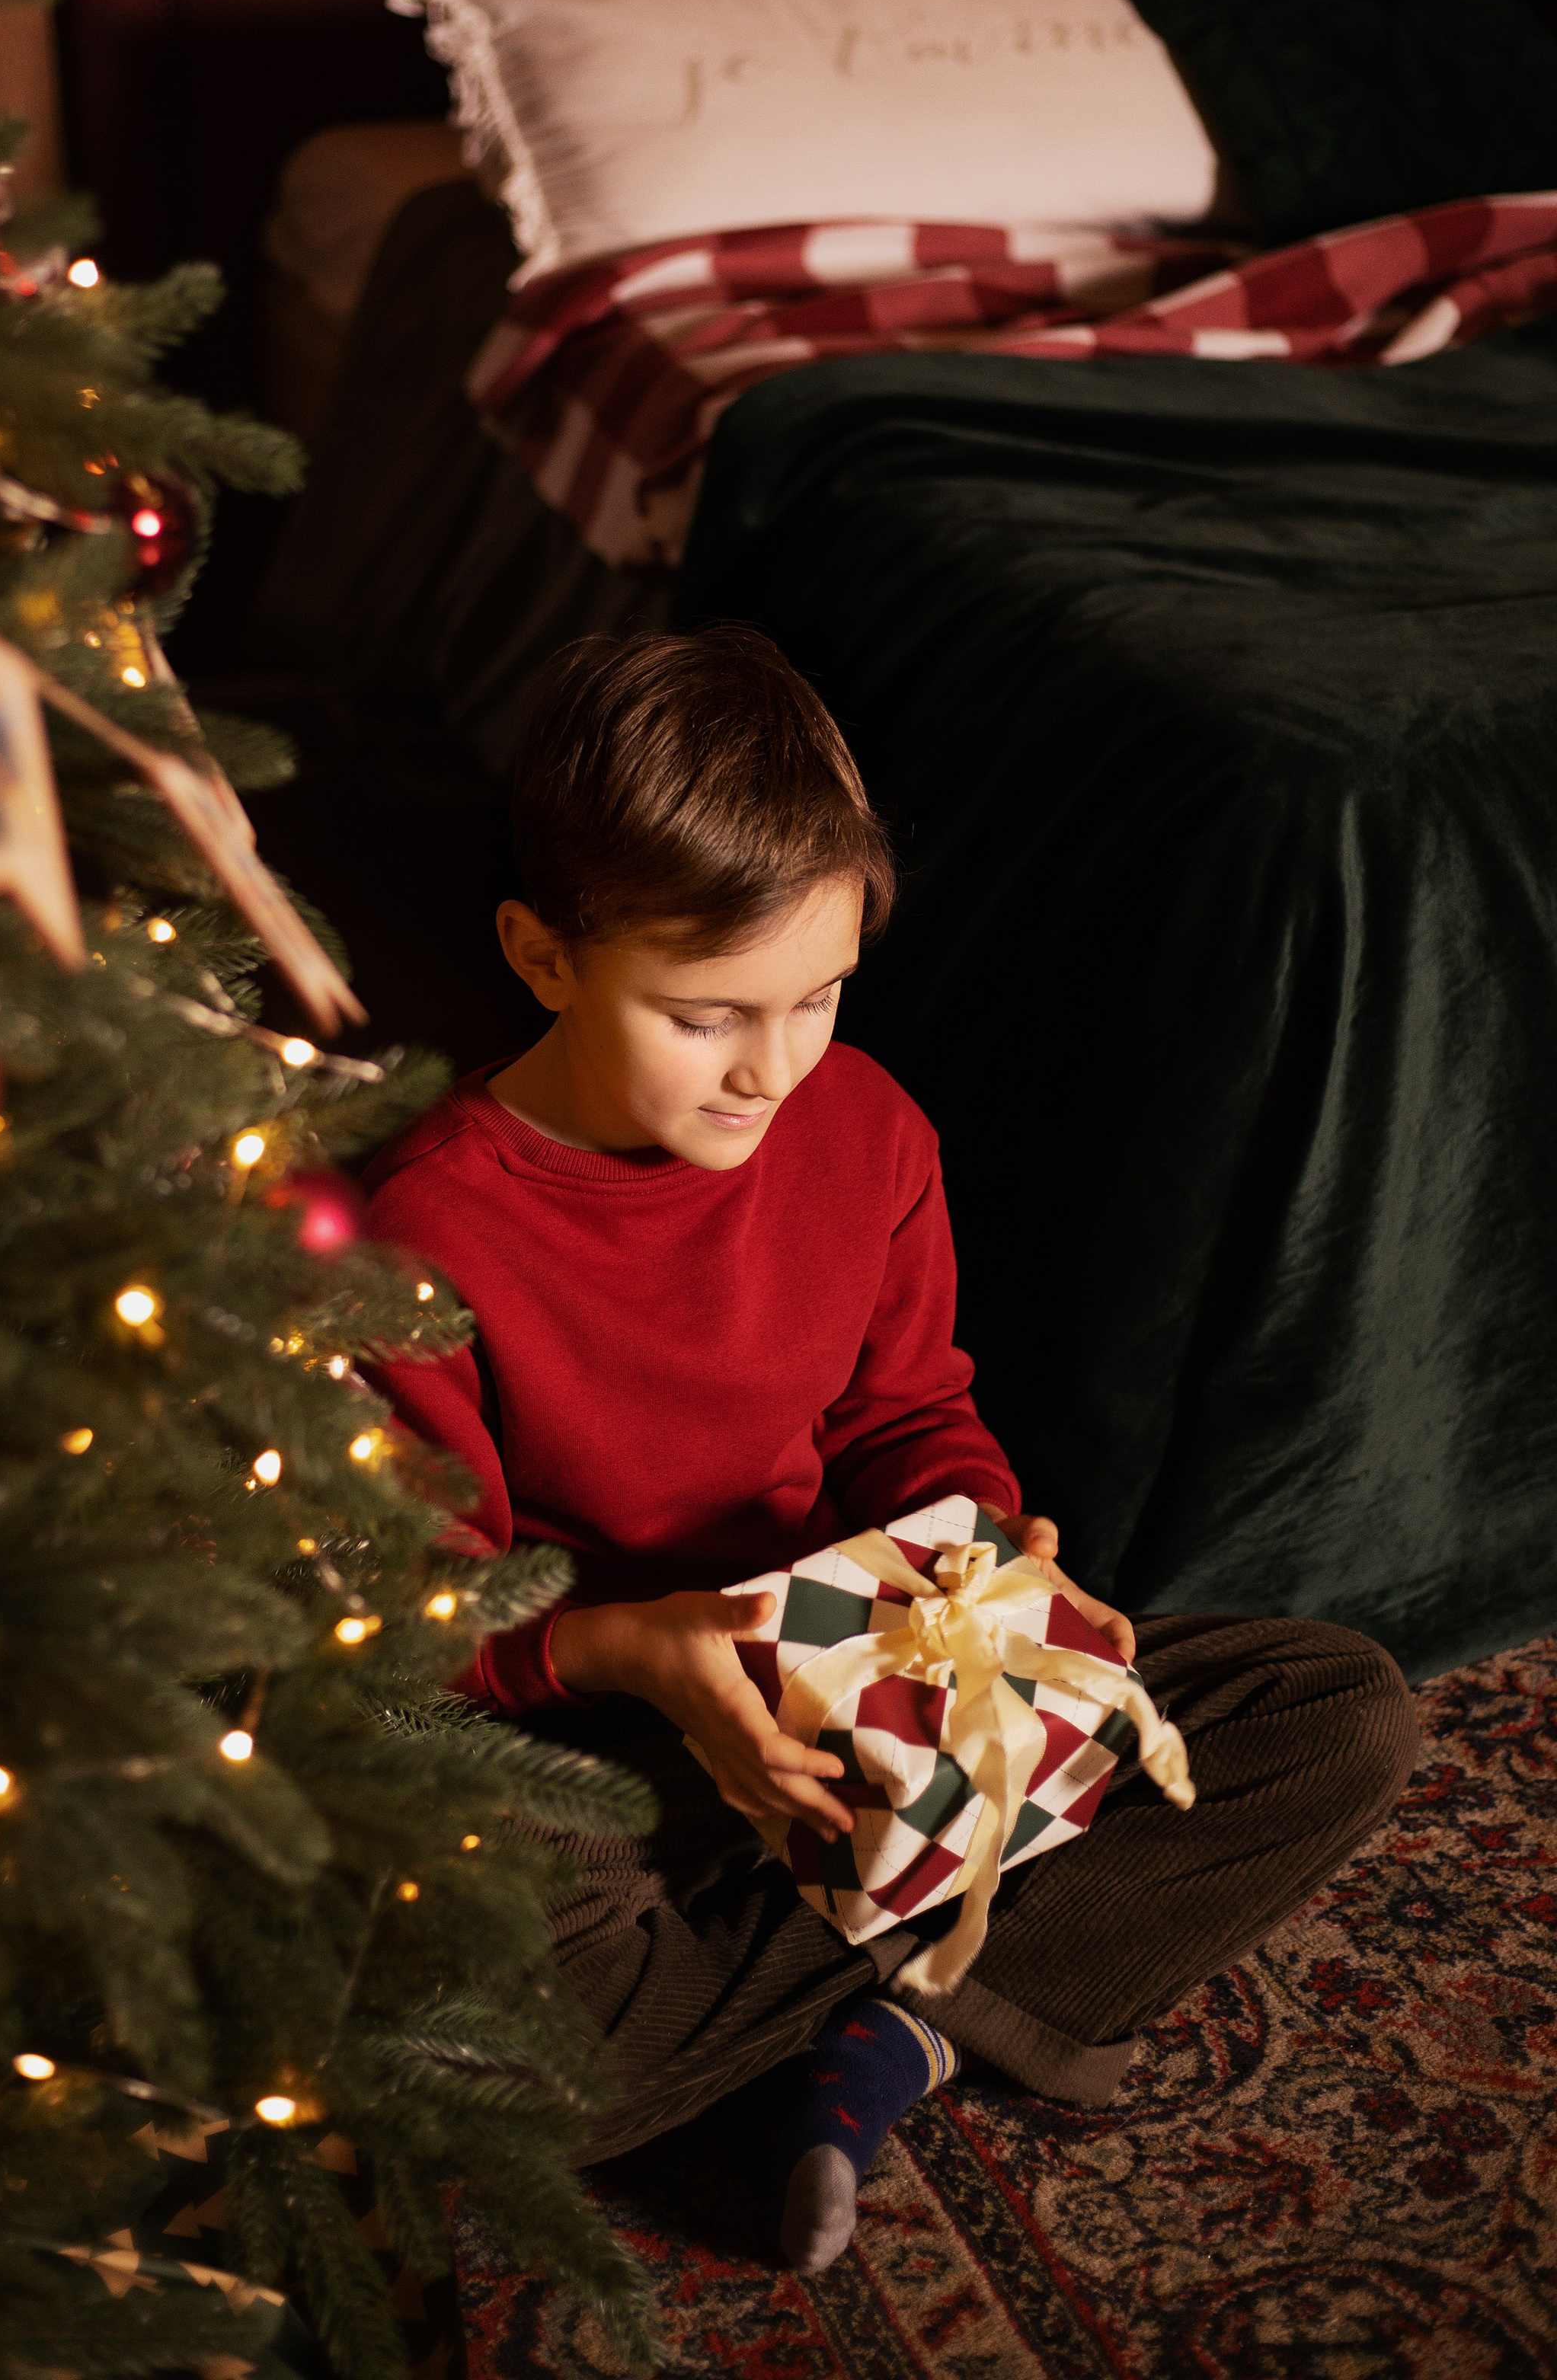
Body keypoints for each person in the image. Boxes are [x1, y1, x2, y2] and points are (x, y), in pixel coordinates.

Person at [361, 627, 1418, 2272]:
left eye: (819, 997)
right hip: (593, 1737)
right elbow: (414, 1622)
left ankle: (862, 2024)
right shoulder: (422, 1231)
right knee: (512, 2055)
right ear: (541, 955)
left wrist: (978, 1540)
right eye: (703, 1015)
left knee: (1333, 1716)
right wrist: (628, 1653)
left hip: (856, 1682)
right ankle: (925, 1988)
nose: (771, 1068)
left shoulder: (864, 1127)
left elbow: (902, 1415)